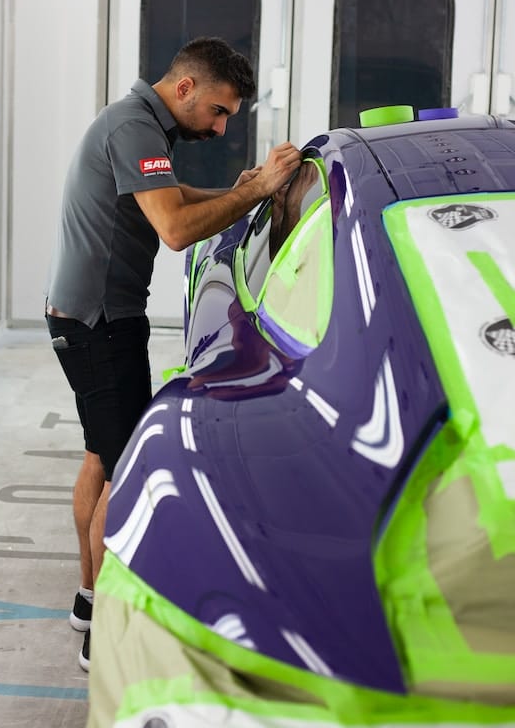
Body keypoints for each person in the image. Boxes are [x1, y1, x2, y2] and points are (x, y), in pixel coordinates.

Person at [44, 36, 302, 671]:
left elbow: (171, 194)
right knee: (123, 475)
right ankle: (101, 633)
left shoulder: (137, 125)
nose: (219, 127)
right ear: (184, 89)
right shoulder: (136, 128)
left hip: (82, 316)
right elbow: (177, 231)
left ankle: (86, 597)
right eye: (217, 111)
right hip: (102, 326)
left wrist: (237, 187)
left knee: (100, 458)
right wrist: (256, 192)